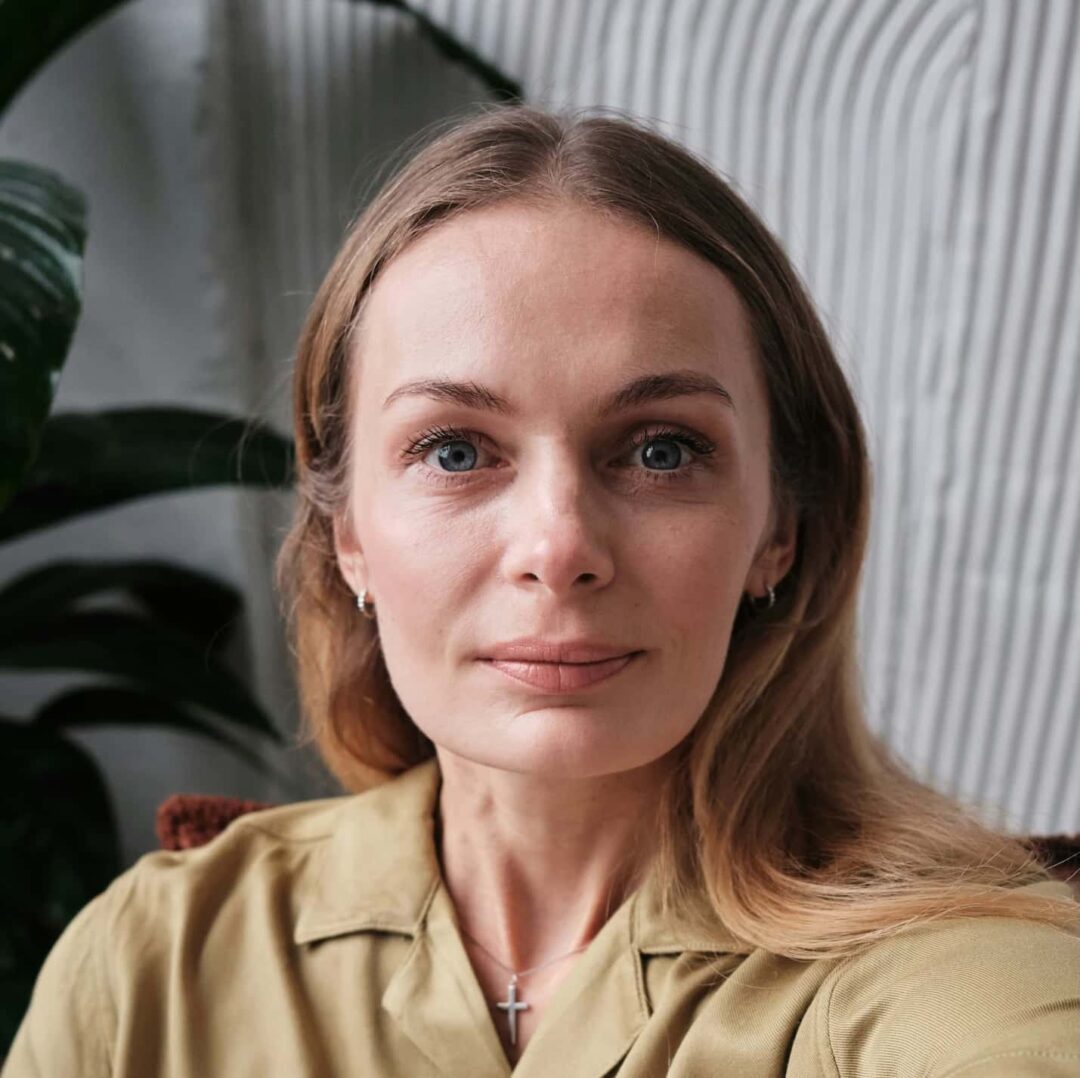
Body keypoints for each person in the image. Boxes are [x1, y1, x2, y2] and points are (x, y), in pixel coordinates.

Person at [5, 104, 1078, 1078]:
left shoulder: (962, 976)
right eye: (457, 451)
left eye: (661, 451)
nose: (559, 547)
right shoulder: (151, 963)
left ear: (782, 531)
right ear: (350, 537)